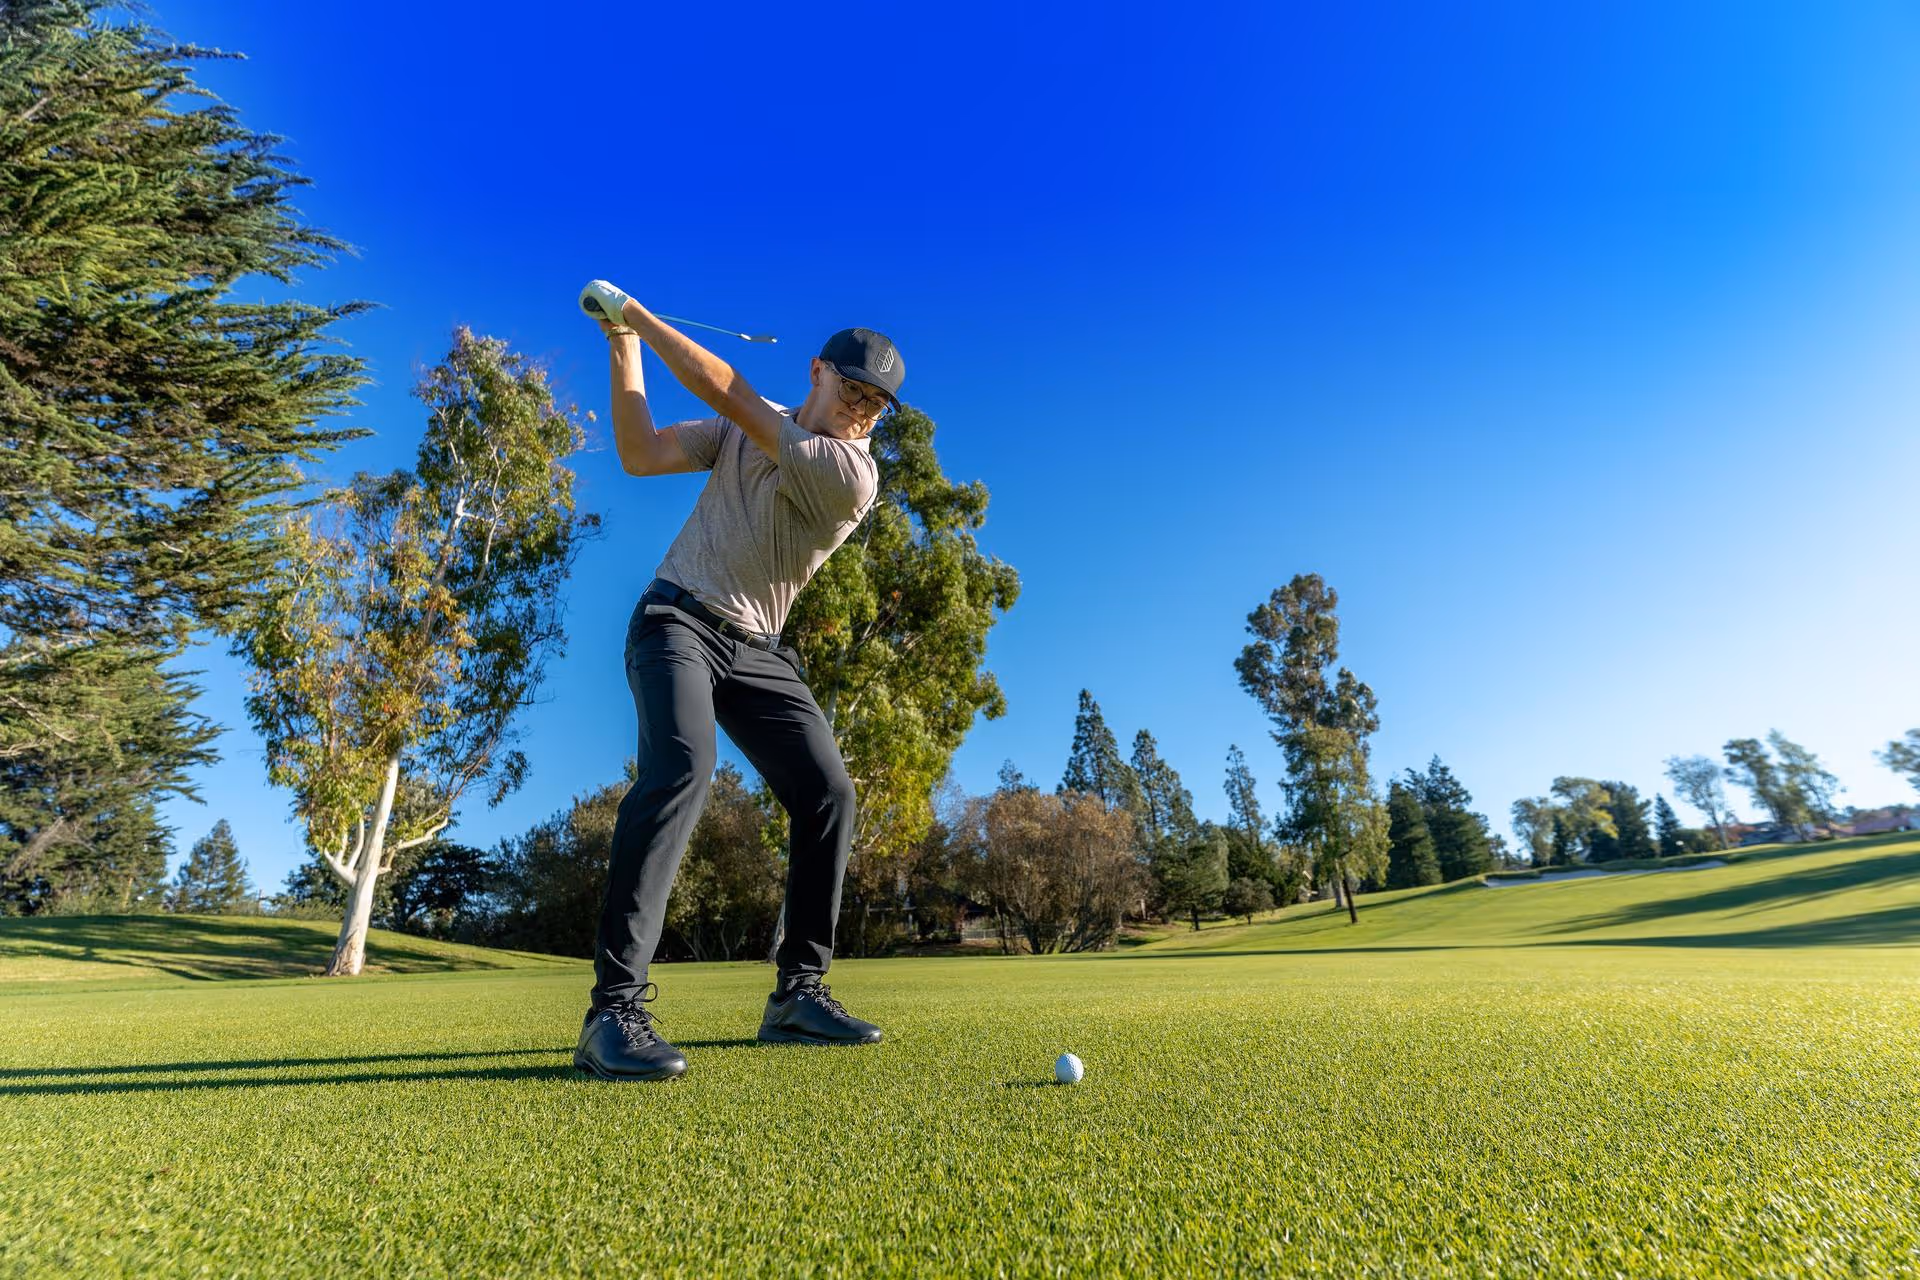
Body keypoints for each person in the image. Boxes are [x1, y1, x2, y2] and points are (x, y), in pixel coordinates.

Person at [571, 278, 903, 1082]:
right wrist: (622, 348)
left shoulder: (849, 474)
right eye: (854, 390)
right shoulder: (742, 434)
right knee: (684, 768)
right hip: (675, 622)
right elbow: (641, 452)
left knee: (830, 793)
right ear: (819, 372)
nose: (863, 411)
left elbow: (731, 389)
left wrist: (638, 317)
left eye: (877, 406)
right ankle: (612, 1011)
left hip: (758, 650)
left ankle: (799, 993)